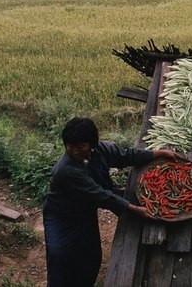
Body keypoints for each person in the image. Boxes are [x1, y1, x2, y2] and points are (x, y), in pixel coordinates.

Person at [42, 117, 179, 287]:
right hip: (61, 216)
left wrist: (157, 154)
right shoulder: (66, 170)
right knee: (59, 257)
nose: (75, 151)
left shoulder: (101, 150)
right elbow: (101, 195)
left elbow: (125, 156)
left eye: (80, 146)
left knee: (91, 256)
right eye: (70, 146)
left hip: (84, 211)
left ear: (92, 144)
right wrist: (134, 208)